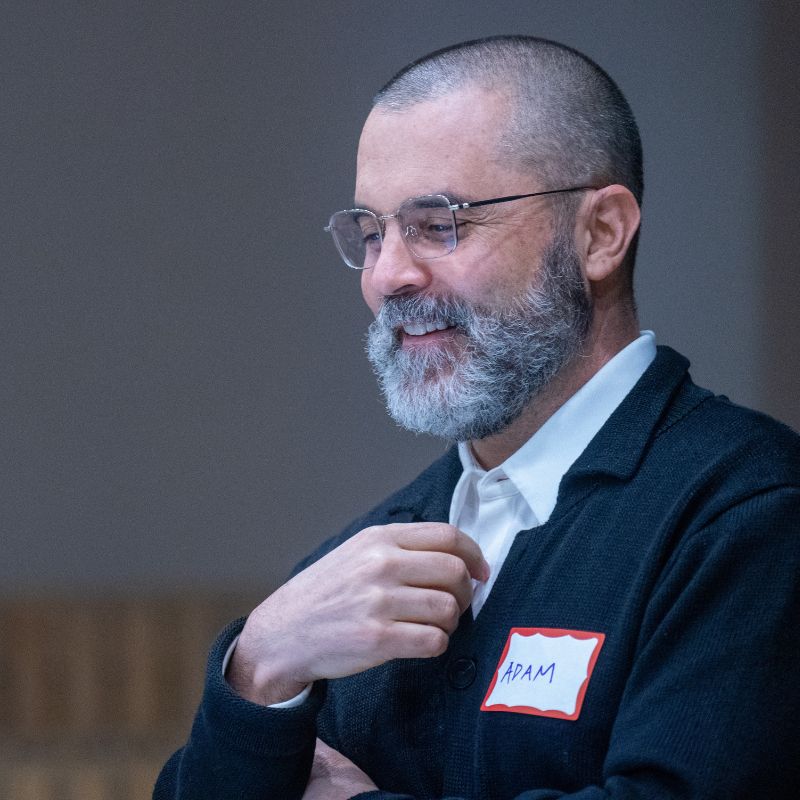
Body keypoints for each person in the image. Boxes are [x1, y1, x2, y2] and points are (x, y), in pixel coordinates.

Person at [155, 35, 800, 800]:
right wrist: (260, 668)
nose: (389, 275)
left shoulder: (750, 514)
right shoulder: (361, 559)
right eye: (371, 233)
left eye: (439, 223)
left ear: (600, 233)